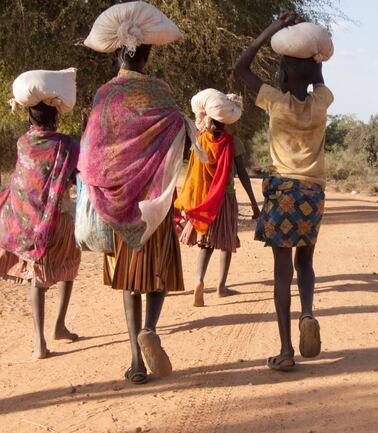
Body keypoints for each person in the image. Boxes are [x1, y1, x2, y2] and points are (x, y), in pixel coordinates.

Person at [79, 33, 199, 382]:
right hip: (155, 203)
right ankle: (150, 328)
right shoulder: (159, 91)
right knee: (156, 274)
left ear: (119, 53)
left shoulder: (105, 94)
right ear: (147, 55)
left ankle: (135, 360)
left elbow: (92, 148)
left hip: (120, 203)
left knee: (130, 281)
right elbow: (178, 127)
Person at [235, 12, 333, 371]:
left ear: (282, 75)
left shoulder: (274, 101)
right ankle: (307, 313)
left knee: (281, 273)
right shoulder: (321, 102)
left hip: (282, 193)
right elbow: (317, 75)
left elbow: (240, 66)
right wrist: (314, 47)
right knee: (305, 262)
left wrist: (273, 28)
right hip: (312, 192)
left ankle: (286, 350)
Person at [0, 84, 81, 359]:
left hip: (32, 223)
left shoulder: (23, 142)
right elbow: (73, 175)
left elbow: (24, 181)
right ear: (55, 117)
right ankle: (59, 325)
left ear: (29, 119)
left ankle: (39, 341)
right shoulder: (67, 144)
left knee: (39, 276)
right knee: (68, 268)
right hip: (61, 218)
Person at [175, 90, 260, 307]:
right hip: (225, 198)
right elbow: (242, 174)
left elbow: (193, 172)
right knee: (226, 242)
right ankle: (221, 287)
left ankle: (199, 281)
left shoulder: (200, 140)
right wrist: (253, 203)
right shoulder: (233, 142)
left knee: (206, 243)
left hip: (205, 199)